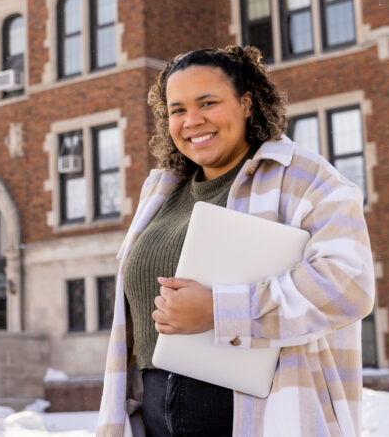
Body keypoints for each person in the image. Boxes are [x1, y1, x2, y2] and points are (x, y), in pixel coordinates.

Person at [96, 46, 374, 437]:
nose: (192, 121)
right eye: (177, 110)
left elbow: (349, 285)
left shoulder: (305, 178)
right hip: (155, 417)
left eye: (207, 102)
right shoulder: (160, 190)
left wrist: (219, 309)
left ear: (247, 103)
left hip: (263, 417)